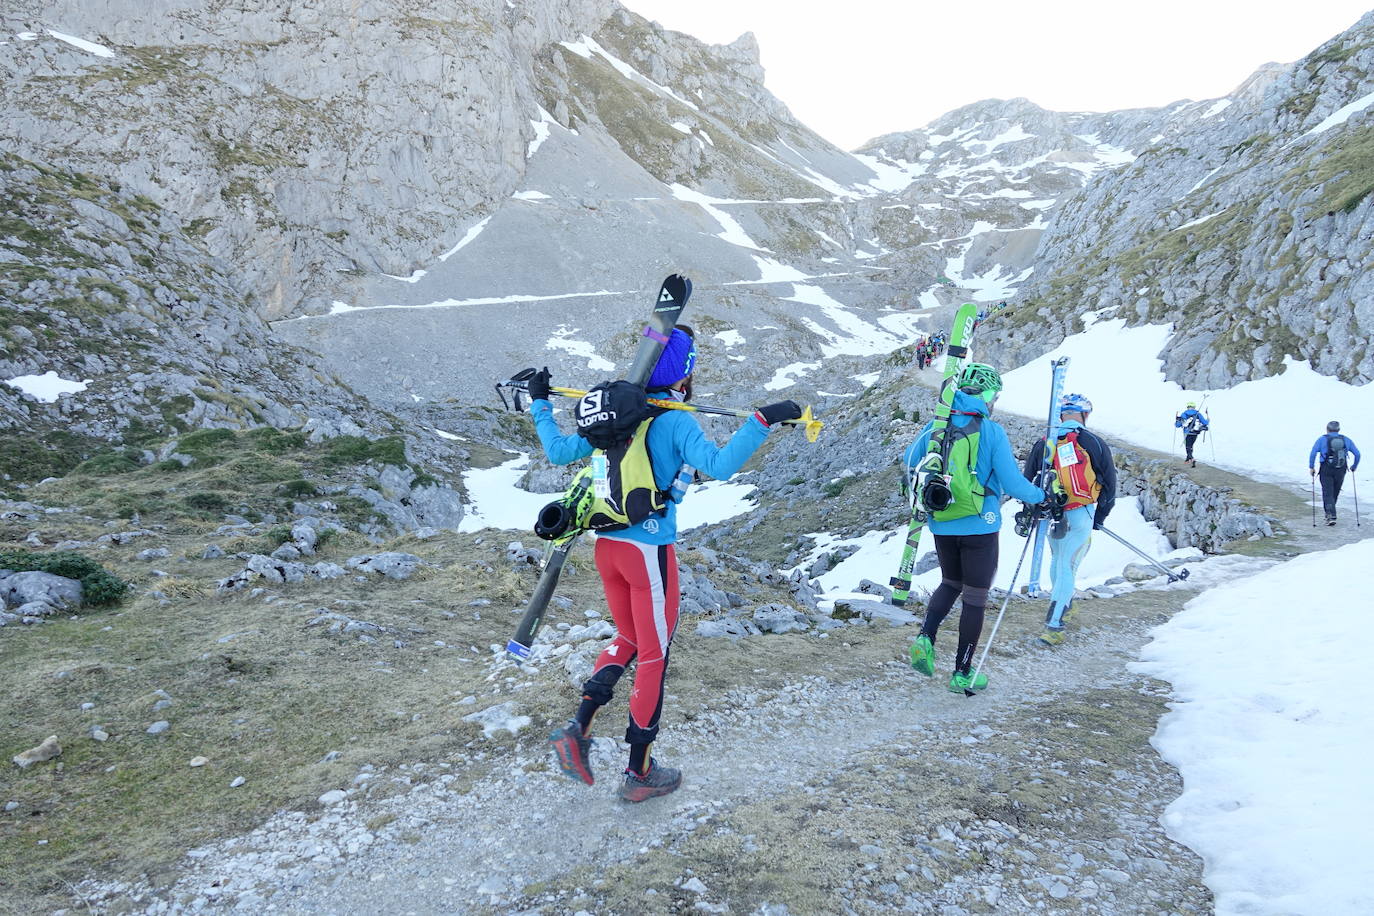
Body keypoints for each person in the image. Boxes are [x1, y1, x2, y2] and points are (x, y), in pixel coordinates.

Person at [527, 327, 802, 801]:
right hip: (648, 552)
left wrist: (539, 404)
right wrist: (763, 419)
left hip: (606, 548)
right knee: (653, 655)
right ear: (684, 371)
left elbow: (556, 452)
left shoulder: (611, 417)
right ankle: (639, 773)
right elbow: (719, 465)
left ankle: (579, 729)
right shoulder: (673, 421)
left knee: (628, 639)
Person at [905, 363, 1047, 693]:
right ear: (987, 395)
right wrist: (1040, 496)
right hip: (980, 526)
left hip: (942, 523)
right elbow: (1013, 482)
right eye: (994, 395)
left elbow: (910, 459)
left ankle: (925, 638)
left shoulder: (935, 425)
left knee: (949, 582)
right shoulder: (991, 431)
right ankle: (962, 672)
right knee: (975, 598)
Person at [1022, 393, 1118, 646]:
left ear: (1061, 415)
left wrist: (1032, 509)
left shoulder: (1045, 442)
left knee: (1059, 562)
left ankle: (1066, 604)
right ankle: (1054, 625)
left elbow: (1027, 479)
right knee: (1067, 565)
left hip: (1052, 514)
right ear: (1085, 415)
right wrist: (1100, 517)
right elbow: (1110, 484)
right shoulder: (1093, 442)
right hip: (1081, 511)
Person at [1309, 420, 1360, 525]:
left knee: (1327, 492)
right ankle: (1331, 512)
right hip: (1341, 468)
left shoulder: (1322, 439)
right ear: (1339, 430)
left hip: (1326, 468)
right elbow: (1357, 454)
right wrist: (1354, 466)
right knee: (1335, 492)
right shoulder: (1346, 439)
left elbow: (1313, 453)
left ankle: (1330, 515)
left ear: (1327, 429)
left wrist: (1311, 467)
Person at [1175, 402, 1209, 467]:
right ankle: (1188, 459)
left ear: (1187, 407)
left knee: (1188, 446)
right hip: (1195, 433)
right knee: (1190, 445)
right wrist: (1208, 419)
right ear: (1194, 407)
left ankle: (1192, 458)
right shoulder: (1198, 414)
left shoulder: (1184, 414)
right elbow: (1205, 422)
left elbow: (1178, 425)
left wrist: (1176, 421)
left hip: (1187, 432)